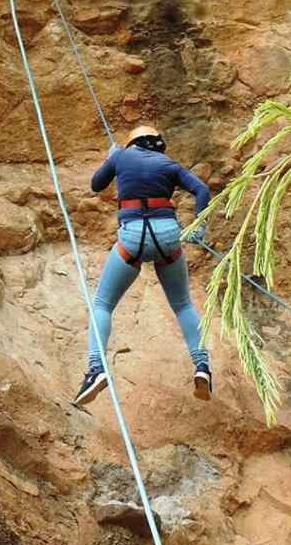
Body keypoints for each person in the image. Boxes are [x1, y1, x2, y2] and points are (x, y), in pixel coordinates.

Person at [74, 125, 212, 406]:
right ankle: (202, 366)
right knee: (183, 305)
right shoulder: (169, 164)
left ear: (132, 143)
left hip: (133, 237)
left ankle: (96, 369)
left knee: (102, 304)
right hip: (168, 237)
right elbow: (202, 190)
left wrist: (111, 157)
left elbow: (96, 185)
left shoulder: (121, 157)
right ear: (157, 145)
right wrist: (200, 225)